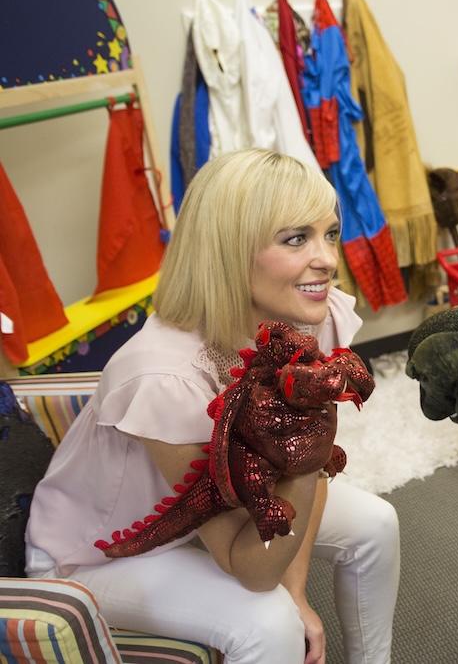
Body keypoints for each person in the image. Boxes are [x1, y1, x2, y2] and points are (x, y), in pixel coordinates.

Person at [25, 149, 400, 664]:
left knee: (376, 525)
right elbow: (249, 565)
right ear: (227, 251)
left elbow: (308, 475)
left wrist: (298, 592)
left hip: (218, 515)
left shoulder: (306, 314)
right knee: (267, 625)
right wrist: (283, 598)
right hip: (96, 554)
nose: (328, 259)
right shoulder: (162, 376)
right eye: (296, 238)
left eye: (329, 233)